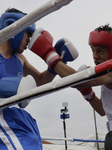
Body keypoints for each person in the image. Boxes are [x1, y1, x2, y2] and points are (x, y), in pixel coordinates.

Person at [0, 8, 79, 149]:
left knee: (33, 142)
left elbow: (41, 81)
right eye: (28, 34)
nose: (29, 40)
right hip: (2, 115)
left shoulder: (20, 59)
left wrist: (58, 60)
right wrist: (8, 86)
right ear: (12, 26)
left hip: (16, 116)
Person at [75, 24, 112, 150]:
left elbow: (75, 81)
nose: (95, 56)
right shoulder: (105, 75)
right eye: (93, 50)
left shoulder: (109, 76)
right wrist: (87, 93)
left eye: (100, 51)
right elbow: (103, 110)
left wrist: (49, 55)